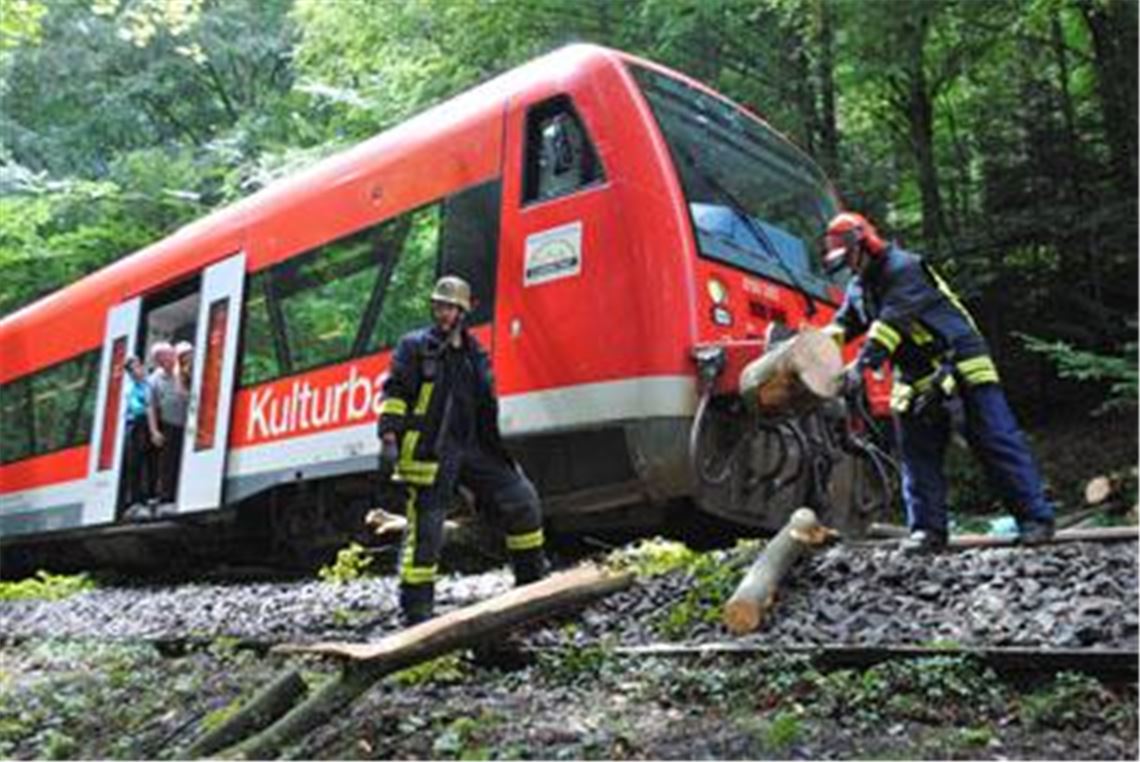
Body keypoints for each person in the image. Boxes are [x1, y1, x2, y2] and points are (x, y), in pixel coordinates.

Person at [822, 211, 1055, 552]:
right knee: (917, 454)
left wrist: (859, 367)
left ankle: (1036, 520)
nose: (850, 268)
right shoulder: (859, 286)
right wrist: (809, 349)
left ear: (864, 244)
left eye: (850, 260)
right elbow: (844, 326)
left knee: (995, 441)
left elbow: (889, 325)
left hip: (960, 362)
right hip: (916, 373)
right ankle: (928, 531)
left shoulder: (904, 268)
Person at [377, 275, 548, 625]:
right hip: (430, 452)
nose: (443, 313)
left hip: (475, 448)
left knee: (522, 500)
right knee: (427, 532)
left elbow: (486, 401)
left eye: (451, 307)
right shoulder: (414, 347)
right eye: (439, 305)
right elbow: (394, 395)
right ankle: (416, 612)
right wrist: (389, 439)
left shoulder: (474, 353)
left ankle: (532, 588)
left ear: (464, 311)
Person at [149, 341, 188, 508]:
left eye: (171, 354)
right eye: (165, 356)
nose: (171, 358)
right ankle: (166, 496)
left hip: (190, 423)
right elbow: (151, 406)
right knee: (168, 462)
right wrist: (154, 431)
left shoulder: (185, 370)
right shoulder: (154, 379)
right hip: (170, 424)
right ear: (158, 360)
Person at [121, 355, 159, 517]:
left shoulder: (148, 383)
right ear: (130, 372)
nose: (139, 369)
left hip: (148, 423)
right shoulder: (131, 388)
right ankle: (135, 500)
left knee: (151, 460)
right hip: (137, 425)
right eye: (135, 368)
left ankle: (151, 496)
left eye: (140, 365)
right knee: (136, 462)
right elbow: (138, 408)